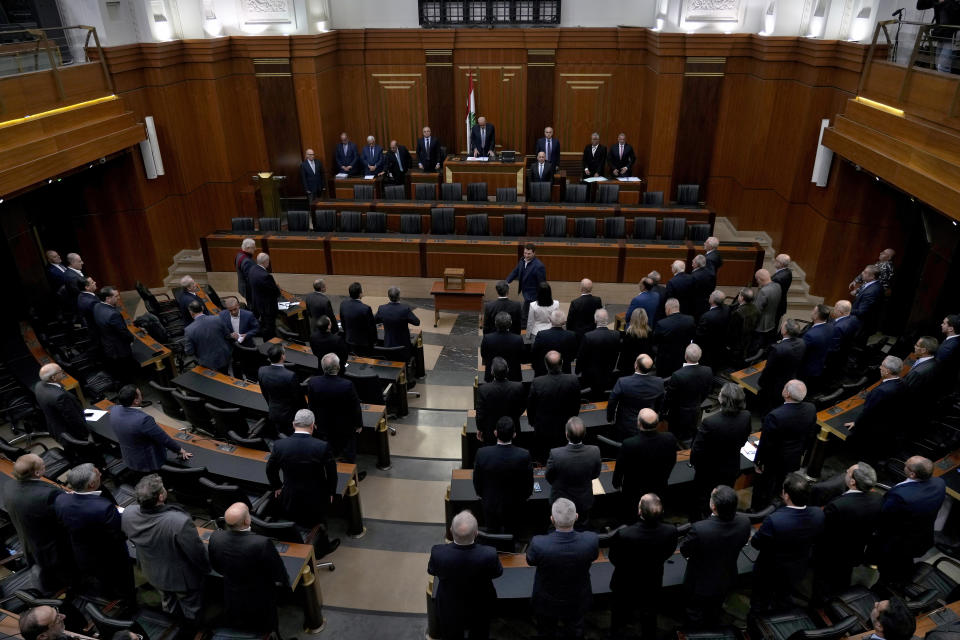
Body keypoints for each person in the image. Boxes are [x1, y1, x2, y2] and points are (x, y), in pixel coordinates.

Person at [121, 474, 210, 621]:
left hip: (152, 571)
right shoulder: (178, 522)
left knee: (168, 601)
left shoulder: (129, 513)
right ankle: (193, 628)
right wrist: (205, 568)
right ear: (161, 497)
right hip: (182, 579)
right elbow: (196, 553)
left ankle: (173, 623)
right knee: (191, 607)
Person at [54, 464, 134, 602]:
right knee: (123, 583)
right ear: (91, 484)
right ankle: (129, 601)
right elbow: (119, 535)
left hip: (83, 553)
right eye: (98, 474)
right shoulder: (103, 507)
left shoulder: (61, 499)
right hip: (111, 556)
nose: (101, 475)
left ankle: (110, 597)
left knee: (102, 580)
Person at [265, 409, 340, 554]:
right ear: (313, 426)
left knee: (296, 521)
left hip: (290, 494)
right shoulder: (321, 446)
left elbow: (270, 469)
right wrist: (331, 491)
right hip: (317, 496)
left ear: (294, 424)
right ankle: (322, 549)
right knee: (319, 523)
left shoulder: (280, 445)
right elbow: (331, 472)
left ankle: (300, 549)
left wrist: (277, 486)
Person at [750, 472, 825, 616]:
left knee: (759, 603)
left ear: (786, 495)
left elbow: (757, 543)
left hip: (769, 571)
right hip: (796, 569)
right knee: (783, 600)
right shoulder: (818, 514)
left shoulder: (775, 520)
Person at [208, 502, 289, 633]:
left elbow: (216, 566)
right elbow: (278, 573)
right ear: (247, 520)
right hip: (260, 598)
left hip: (231, 594)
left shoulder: (215, 537)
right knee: (267, 627)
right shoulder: (262, 543)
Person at [526, 498, 599, 638]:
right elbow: (593, 556)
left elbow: (530, 561)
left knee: (546, 631)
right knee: (575, 631)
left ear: (552, 519)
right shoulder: (591, 540)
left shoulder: (539, 543)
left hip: (547, 599)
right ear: (576, 517)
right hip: (578, 598)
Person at [680, 485, 752, 627]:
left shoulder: (700, 529)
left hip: (699, 583)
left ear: (713, 506)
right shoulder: (744, 522)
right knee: (715, 610)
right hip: (726, 577)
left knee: (694, 614)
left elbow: (685, 549)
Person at [609, 494, 678, 640]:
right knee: (649, 612)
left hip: (625, 580)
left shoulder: (624, 534)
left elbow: (614, 558)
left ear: (639, 511)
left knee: (620, 611)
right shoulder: (671, 531)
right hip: (652, 578)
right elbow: (669, 551)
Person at [2, 454, 73, 592]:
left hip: (29, 541)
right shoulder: (47, 495)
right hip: (55, 547)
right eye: (43, 465)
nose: (45, 465)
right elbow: (66, 517)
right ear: (37, 472)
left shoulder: (8, 486)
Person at [427, 511, 503, 640]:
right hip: (481, 605)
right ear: (476, 532)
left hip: (449, 606)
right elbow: (497, 573)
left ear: (451, 530)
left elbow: (431, 571)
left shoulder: (438, 553)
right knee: (480, 633)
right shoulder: (489, 554)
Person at [873, 456, 946, 585]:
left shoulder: (901, 496)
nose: (904, 464)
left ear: (912, 474)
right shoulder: (939, 483)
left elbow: (884, 517)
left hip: (896, 543)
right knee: (904, 563)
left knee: (888, 571)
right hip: (921, 537)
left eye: (906, 465)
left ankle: (885, 591)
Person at [814, 462, 883, 598]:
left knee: (822, 583)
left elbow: (823, 532)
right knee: (843, 577)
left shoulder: (838, 505)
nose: (846, 470)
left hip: (830, 553)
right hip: (854, 551)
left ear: (852, 482)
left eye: (848, 471)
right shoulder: (878, 499)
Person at [752, 380, 817, 510]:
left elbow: (766, 443)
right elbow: (811, 433)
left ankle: (758, 510)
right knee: (782, 484)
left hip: (773, 460)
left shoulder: (775, 416)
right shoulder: (811, 408)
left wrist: (759, 461)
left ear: (786, 393)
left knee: (764, 487)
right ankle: (777, 504)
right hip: (794, 457)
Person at [691, 383, 751, 516]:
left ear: (722, 400)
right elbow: (744, 439)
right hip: (731, 466)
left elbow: (698, 449)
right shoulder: (746, 416)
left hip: (708, 470)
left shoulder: (710, 422)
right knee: (724, 498)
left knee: (703, 498)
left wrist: (695, 464)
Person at [613, 409, 677, 524]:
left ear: (639, 423)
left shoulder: (629, 444)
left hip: (633, 490)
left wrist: (616, 484)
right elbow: (672, 461)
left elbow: (620, 468)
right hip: (659, 485)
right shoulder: (670, 438)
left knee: (631, 516)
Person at [111, 385, 192, 474]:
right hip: (147, 463)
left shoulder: (114, 410)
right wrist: (180, 450)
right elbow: (163, 438)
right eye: (140, 394)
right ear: (136, 400)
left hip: (129, 457)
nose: (142, 394)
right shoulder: (143, 420)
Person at [473, 417, 534, 533]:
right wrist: (523, 498)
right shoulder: (524, 455)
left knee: (492, 533)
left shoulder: (482, 453)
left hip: (490, 504)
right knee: (513, 532)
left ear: (495, 433)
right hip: (515, 505)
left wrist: (484, 496)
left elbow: (477, 482)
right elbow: (528, 484)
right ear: (514, 435)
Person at [845, 356, 905, 463]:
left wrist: (856, 423)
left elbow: (868, 412)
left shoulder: (881, 391)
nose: (880, 368)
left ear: (887, 371)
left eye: (882, 366)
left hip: (872, 430)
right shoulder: (901, 383)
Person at [307, 353, 363, 463]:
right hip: (345, 427)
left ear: (322, 367)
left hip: (323, 425)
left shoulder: (313, 382)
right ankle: (350, 468)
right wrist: (359, 424)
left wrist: (314, 421)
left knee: (328, 450)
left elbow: (311, 404)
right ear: (338, 367)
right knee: (349, 451)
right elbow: (355, 407)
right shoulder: (347, 384)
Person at [545, 418, 602, 523]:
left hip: (561, 500)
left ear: (566, 434)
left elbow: (549, 476)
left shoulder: (556, 454)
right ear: (584, 434)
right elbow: (595, 474)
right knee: (583, 525)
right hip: (584, 500)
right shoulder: (595, 451)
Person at [528, 351, 581, 462]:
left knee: (545, 457)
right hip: (566, 427)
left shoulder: (537, 382)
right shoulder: (573, 380)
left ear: (546, 365)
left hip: (543, 428)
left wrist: (532, 422)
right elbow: (576, 405)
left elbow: (531, 406)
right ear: (562, 363)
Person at [607, 354, 664, 440]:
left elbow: (612, 401)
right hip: (648, 422)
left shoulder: (623, 382)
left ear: (636, 365)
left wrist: (610, 418)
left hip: (625, 423)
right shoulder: (659, 382)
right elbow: (660, 403)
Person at [664, 343, 713, 443]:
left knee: (674, 437)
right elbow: (707, 391)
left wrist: (664, 411)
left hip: (677, 413)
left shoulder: (678, 375)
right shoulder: (708, 371)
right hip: (695, 410)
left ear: (685, 356)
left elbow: (669, 397)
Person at [757, 319, 806, 411]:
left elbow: (769, 369)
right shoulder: (802, 343)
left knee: (770, 405)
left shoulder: (778, 349)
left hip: (775, 384)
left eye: (783, 326)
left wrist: (761, 382)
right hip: (790, 377)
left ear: (785, 331)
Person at [475, 357, 526, 444]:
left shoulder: (483, 389)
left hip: (491, 430)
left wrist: (480, 429)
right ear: (508, 370)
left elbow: (480, 413)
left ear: (492, 372)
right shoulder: (518, 387)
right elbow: (522, 407)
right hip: (512, 428)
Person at [34, 363, 88, 445]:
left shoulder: (39, 386)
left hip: (56, 428)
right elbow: (73, 419)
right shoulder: (60, 397)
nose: (63, 372)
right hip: (71, 435)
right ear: (53, 378)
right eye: (60, 371)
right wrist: (86, 432)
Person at [258, 344, 305, 438]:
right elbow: (298, 398)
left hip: (273, 411)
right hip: (290, 416)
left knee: (281, 435)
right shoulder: (290, 375)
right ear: (282, 356)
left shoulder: (261, 370)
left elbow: (264, 393)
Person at [93, 286, 136, 381]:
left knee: (118, 371)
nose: (119, 298)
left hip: (107, 344)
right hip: (119, 349)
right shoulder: (113, 314)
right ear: (108, 298)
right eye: (116, 296)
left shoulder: (97, 306)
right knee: (126, 372)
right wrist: (132, 339)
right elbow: (123, 332)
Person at [576, 308, 621, 398]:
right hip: (608, 372)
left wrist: (578, 370)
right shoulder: (616, 335)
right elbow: (616, 354)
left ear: (595, 320)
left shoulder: (588, 336)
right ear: (607, 319)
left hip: (590, 375)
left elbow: (581, 357)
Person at [184, 300, 233, 374]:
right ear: (202, 308)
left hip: (207, 363)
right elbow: (228, 335)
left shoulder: (189, 330)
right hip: (224, 357)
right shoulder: (217, 319)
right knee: (225, 376)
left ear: (191, 313)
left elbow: (189, 351)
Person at [653, 297, 696, 378]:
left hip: (665, 362)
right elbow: (692, 336)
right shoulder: (690, 320)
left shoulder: (662, 324)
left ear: (668, 309)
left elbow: (655, 341)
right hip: (683, 358)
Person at [506, 243, 547, 321]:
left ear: (534, 253)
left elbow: (542, 284)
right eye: (525, 253)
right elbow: (515, 271)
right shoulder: (522, 260)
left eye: (529, 254)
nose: (526, 255)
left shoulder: (539, 266)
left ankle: (524, 328)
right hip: (525, 292)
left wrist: (540, 298)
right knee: (528, 313)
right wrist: (507, 282)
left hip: (533, 295)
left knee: (526, 315)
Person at [531, 309, 578, 376]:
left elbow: (535, 352)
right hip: (564, 370)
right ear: (564, 322)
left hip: (545, 370)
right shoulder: (571, 335)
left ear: (550, 320)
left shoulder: (541, 334)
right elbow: (573, 354)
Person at [798, 304, 834, 390]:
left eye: (813, 311)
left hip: (807, 367)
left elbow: (800, 351)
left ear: (816, 315)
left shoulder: (810, 335)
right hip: (820, 361)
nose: (811, 313)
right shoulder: (831, 326)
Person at [481, 311, 524, 382]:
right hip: (513, 375)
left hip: (492, 375)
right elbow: (522, 357)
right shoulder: (518, 339)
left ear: (495, 323)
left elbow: (484, 355)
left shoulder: (487, 338)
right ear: (510, 323)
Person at [376, 286, 420, 353]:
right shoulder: (405, 309)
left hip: (388, 346)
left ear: (388, 296)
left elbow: (375, 321)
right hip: (403, 347)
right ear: (399, 296)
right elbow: (417, 322)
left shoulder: (382, 309)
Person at [825, 299, 861, 382]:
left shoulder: (838, 328)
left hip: (835, 358)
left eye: (835, 309)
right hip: (846, 350)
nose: (833, 310)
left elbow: (832, 349)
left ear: (840, 313)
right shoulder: (854, 318)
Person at [247, 252, 280, 340]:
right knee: (269, 327)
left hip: (257, 302)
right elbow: (276, 293)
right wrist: (276, 287)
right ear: (266, 262)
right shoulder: (266, 276)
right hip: (267, 307)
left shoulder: (252, 269)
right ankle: (271, 342)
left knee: (264, 324)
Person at [339, 282, 377, 355]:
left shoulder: (343, 304)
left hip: (349, 340)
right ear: (360, 294)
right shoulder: (366, 309)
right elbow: (371, 328)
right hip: (363, 344)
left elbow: (343, 322)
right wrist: (374, 341)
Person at [696, 290, 730, 370]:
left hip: (707, 348)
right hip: (720, 343)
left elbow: (700, 335)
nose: (709, 296)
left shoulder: (707, 317)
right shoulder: (727, 309)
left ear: (712, 300)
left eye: (710, 295)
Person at [726, 287, 759, 365]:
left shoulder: (738, 313)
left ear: (742, 298)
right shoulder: (755, 308)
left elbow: (733, 331)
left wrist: (728, 345)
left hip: (738, 342)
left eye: (739, 295)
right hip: (749, 338)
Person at [851, 263, 884, 340]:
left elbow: (862, 312)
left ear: (872, 276)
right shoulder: (871, 284)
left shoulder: (872, 291)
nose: (862, 273)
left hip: (862, 325)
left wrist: (847, 310)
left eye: (865, 272)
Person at [618, 307, 654, 377]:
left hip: (629, 367)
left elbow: (624, 353)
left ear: (632, 319)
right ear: (645, 319)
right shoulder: (649, 333)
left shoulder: (629, 335)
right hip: (643, 365)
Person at [754, 268, 782, 347]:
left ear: (760, 279)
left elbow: (757, 310)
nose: (757, 282)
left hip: (762, 324)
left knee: (758, 344)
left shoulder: (763, 291)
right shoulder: (778, 286)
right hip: (772, 320)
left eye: (756, 279)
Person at [690, 254, 715, 319]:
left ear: (697, 264)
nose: (692, 261)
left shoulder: (693, 276)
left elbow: (691, 290)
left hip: (695, 302)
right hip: (707, 300)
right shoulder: (710, 273)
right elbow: (712, 287)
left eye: (694, 260)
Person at [77, 276, 100, 346]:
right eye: (92, 282)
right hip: (98, 332)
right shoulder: (91, 302)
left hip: (91, 327)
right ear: (87, 287)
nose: (95, 282)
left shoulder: (81, 295)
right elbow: (101, 318)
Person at [771, 254, 792, 330]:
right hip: (780, 304)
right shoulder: (788, 271)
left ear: (781, 264)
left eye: (776, 260)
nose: (774, 261)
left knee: (772, 326)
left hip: (776, 306)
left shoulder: (778, 278)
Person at [235, 238, 256, 302]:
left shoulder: (239, 255)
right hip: (248, 290)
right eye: (253, 247)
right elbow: (250, 278)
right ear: (248, 248)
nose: (255, 249)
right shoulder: (247, 261)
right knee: (252, 305)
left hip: (242, 286)